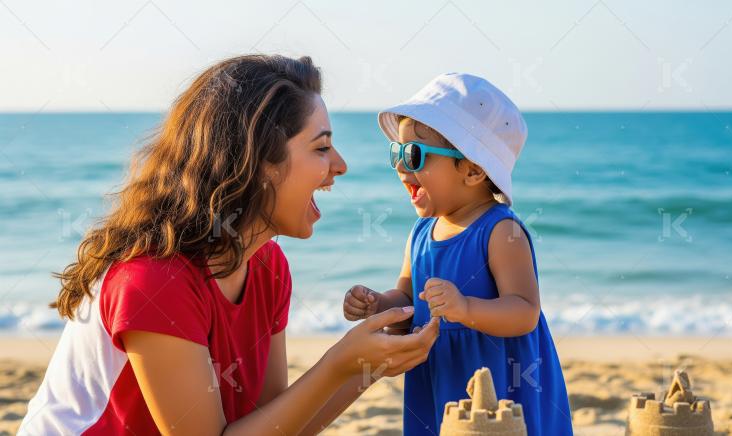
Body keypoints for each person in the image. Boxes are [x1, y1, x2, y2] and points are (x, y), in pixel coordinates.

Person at [19, 54, 439, 436]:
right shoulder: (153, 280)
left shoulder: (266, 264)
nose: (340, 166)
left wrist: (366, 366)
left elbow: (276, 423)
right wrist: (337, 364)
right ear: (258, 164)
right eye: (321, 147)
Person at [342, 73, 572, 435]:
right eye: (397, 153)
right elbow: (406, 300)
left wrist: (465, 309)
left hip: (500, 382)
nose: (402, 167)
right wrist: (377, 306)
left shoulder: (500, 232)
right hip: (440, 378)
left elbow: (525, 311)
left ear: (473, 170)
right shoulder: (420, 233)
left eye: (415, 155)